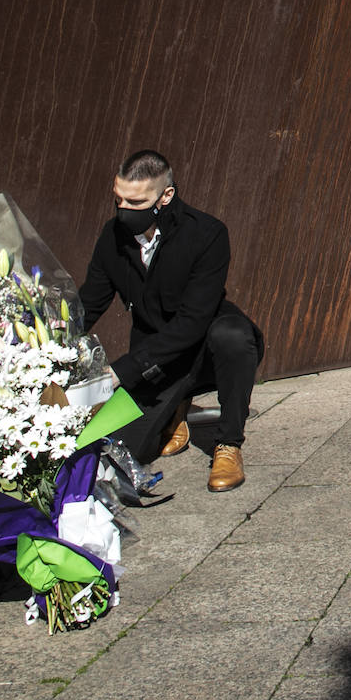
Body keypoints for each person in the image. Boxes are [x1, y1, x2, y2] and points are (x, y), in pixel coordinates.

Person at [78, 150, 263, 492]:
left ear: (166, 196)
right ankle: (174, 408)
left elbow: (192, 323)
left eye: (135, 202)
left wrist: (120, 372)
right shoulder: (112, 236)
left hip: (202, 342)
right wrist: (48, 340)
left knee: (233, 336)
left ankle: (228, 444)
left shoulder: (206, 234)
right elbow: (90, 301)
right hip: (155, 355)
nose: (124, 210)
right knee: (121, 452)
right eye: (118, 199)